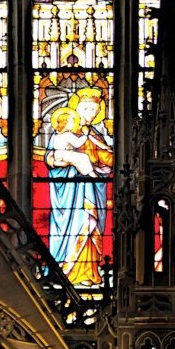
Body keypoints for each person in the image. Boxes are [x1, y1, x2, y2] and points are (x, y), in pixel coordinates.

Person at [45, 87, 114, 281]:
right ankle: (63, 269)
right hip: (68, 191)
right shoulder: (65, 132)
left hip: (92, 189)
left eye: (95, 110)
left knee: (90, 226)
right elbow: (51, 158)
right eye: (87, 109)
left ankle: (88, 273)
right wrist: (63, 160)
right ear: (77, 109)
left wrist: (104, 156)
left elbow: (107, 159)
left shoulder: (95, 136)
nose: (91, 114)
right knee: (74, 225)